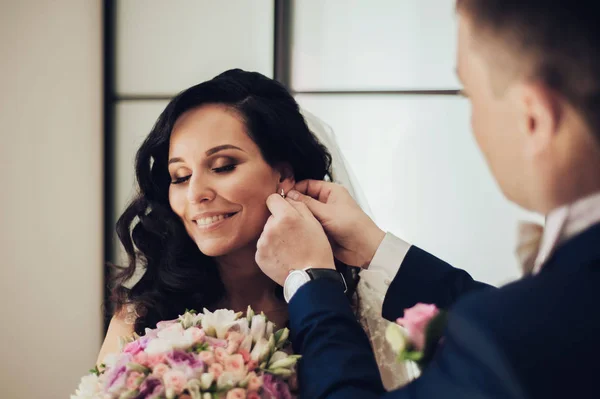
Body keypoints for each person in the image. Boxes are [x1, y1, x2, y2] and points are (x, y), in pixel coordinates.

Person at [255, 1, 600, 398]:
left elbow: (526, 336)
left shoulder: (509, 334)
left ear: (533, 118)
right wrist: (375, 247)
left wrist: (309, 278)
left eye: (468, 95)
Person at [96, 69, 416, 389]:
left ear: (283, 174)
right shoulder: (140, 317)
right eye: (180, 176)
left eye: (223, 166)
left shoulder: (353, 309)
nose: (196, 193)